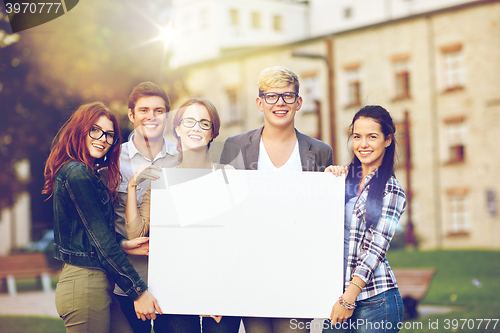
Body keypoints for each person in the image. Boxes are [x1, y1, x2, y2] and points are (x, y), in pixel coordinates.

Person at [220, 66, 333, 333]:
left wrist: (333, 177)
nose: (280, 103)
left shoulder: (319, 152)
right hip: (251, 273)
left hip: (297, 274)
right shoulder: (235, 147)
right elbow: (224, 216)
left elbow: (324, 216)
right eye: (272, 96)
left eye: (288, 96)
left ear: (298, 102)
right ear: (260, 103)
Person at [42, 102, 161, 333]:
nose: (103, 139)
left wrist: (124, 244)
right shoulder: (76, 173)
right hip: (84, 283)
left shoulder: (87, 173)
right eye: (95, 130)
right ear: (80, 129)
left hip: (100, 283)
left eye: (109, 135)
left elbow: (92, 232)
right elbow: (101, 242)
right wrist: (138, 291)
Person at [128, 97, 240, 333]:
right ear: (177, 129)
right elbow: (136, 232)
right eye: (189, 121)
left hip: (220, 292)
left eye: (204, 123)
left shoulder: (227, 174)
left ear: (213, 133)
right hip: (174, 292)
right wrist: (131, 187)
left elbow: (234, 239)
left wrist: (218, 291)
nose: (196, 128)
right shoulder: (162, 179)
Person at [323, 105, 406, 333]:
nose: (363, 144)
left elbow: (375, 249)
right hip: (337, 295)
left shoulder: (392, 190)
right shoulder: (342, 180)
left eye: (372, 137)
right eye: (357, 137)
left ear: (387, 140)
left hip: (375, 301)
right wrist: (327, 183)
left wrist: (348, 299)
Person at [112, 82, 181, 333]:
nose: (151, 117)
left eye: (159, 110)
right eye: (143, 110)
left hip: (175, 281)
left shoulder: (183, 157)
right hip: (126, 283)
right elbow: (100, 221)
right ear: (131, 115)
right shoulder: (112, 161)